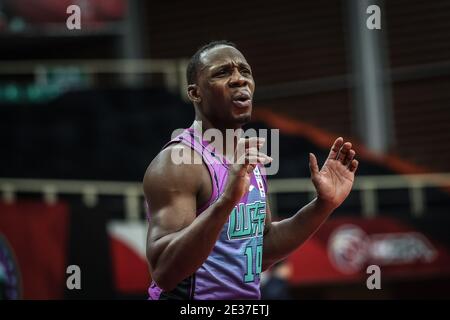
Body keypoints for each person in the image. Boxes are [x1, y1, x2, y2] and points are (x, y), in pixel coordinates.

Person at [143, 40, 358, 300]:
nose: (238, 79)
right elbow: (164, 272)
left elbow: (262, 249)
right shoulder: (177, 163)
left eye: (245, 71)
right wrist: (226, 201)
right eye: (222, 73)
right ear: (195, 93)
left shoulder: (247, 156)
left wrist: (323, 205)